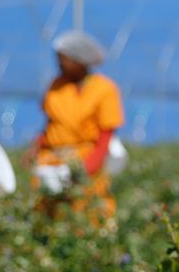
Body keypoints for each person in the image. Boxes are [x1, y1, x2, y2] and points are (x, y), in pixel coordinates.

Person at [24, 30, 124, 219]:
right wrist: (36, 146)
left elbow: (105, 137)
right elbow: (51, 126)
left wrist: (86, 169)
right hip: (52, 162)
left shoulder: (104, 89)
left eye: (64, 59)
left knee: (88, 213)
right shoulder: (56, 86)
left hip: (84, 160)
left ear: (81, 60)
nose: (60, 64)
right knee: (47, 214)